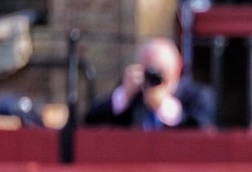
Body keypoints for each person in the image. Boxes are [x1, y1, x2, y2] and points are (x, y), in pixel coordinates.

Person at [85, 37, 217, 129]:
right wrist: (124, 95)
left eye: (161, 69)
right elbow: (90, 122)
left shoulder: (198, 96)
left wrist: (163, 106)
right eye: (148, 68)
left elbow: (202, 128)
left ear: (178, 66)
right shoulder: (133, 94)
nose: (155, 76)